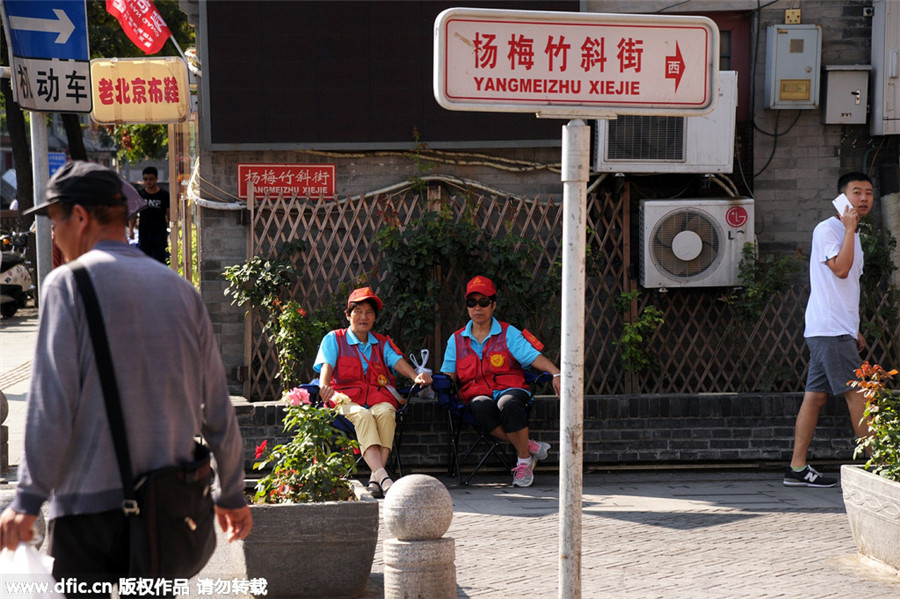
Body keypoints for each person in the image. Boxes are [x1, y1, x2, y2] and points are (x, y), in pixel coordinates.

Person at [0, 161, 251, 594]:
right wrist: (231, 492)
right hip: (167, 514)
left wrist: (27, 500)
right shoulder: (181, 291)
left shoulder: (67, 286)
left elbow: (52, 406)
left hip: (86, 516)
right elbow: (217, 407)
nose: (54, 236)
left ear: (79, 217)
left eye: (54, 221)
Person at [785, 172, 876, 488]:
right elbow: (839, 269)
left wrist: (855, 328)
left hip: (835, 329)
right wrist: (849, 229)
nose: (863, 198)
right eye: (856, 192)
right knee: (858, 393)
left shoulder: (852, 234)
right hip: (829, 330)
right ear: (842, 197)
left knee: (815, 398)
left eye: (868, 193)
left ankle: (797, 468)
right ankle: (879, 464)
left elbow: (848, 287)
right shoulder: (828, 229)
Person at [441, 275, 561, 488]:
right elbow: (449, 374)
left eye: (484, 302)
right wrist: (434, 382)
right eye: (472, 302)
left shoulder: (508, 332)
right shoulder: (456, 339)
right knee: (479, 406)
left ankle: (523, 460)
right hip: (477, 393)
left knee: (509, 403)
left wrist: (556, 373)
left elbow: (532, 357)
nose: (477, 308)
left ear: (493, 304)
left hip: (511, 388)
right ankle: (528, 447)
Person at [314, 287, 432, 498]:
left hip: (378, 397)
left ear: (375, 317)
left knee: (387, 412)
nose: (364, 317)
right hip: (345, 399)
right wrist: (324, 386)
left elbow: (397, 362)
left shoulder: (382, 342)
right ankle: (383, 477)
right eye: (358, 311)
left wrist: (416, 376)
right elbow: (326, 366)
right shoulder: (334, 339)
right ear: (348, 315)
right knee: (363, 416)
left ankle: (375, 478)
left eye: (369, 312)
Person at [128, 166, 169, 263]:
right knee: (144, 260)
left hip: (160, 232)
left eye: (151, 179)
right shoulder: (140, 194)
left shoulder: (164, 195)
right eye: (145, 179)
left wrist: (174, 230)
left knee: (160, 259)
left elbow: (169, 213)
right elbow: (134, 213)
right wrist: (131, 230)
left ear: (156, 179)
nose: (148, 182)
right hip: (144, 232)